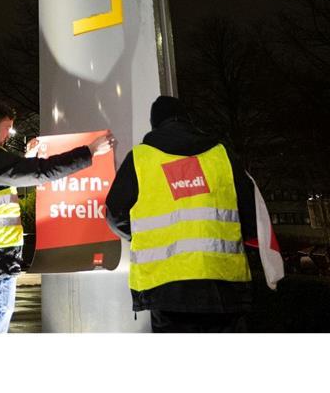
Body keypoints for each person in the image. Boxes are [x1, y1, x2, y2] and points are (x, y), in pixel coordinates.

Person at [0, 98, 115, 333]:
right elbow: (40, 172)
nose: (7, 136)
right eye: (6, 128)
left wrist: (25, 159)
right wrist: (90, 151)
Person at [105, 95, 264, 332]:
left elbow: (115, 213)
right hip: (224, 285)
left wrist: (142, 236)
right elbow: (252, 214)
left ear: (155, 124)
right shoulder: (222, 155)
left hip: (167, 288)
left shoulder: (141, 158)